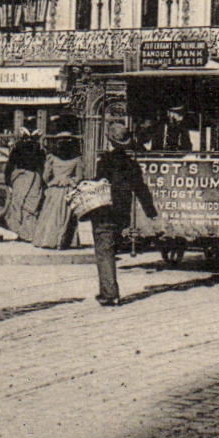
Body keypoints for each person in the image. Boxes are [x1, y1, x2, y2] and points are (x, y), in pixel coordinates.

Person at [87, 123, 158, 307]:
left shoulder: (104, 162)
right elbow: (141, 189)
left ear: (110, 141)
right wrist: (151, 211)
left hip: (105, 211)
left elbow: (99, 186)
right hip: (122, 213)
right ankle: (109, 290)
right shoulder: (132, 164)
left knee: (104, 251)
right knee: (109, 248)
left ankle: (110, 294)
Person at [31, 134, 82, 249]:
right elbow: (79, 177)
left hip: (54, 190)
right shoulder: (77, 159)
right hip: (68, 190)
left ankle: (48, 240)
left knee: (50, 215)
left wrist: (53, 181)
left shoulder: (52, 158)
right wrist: (69, 180)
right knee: (66, 216)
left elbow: (45, 176)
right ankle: (65, 241)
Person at [0, 124, 45, 242]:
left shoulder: (17, 148)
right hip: (32, 178)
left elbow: (10, 166)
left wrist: (8, 181)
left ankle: (22, 232)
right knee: (29, 206)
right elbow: (43, 167)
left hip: (22, 178)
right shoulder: (39, 150)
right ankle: (27, 233)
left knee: (19, 204)